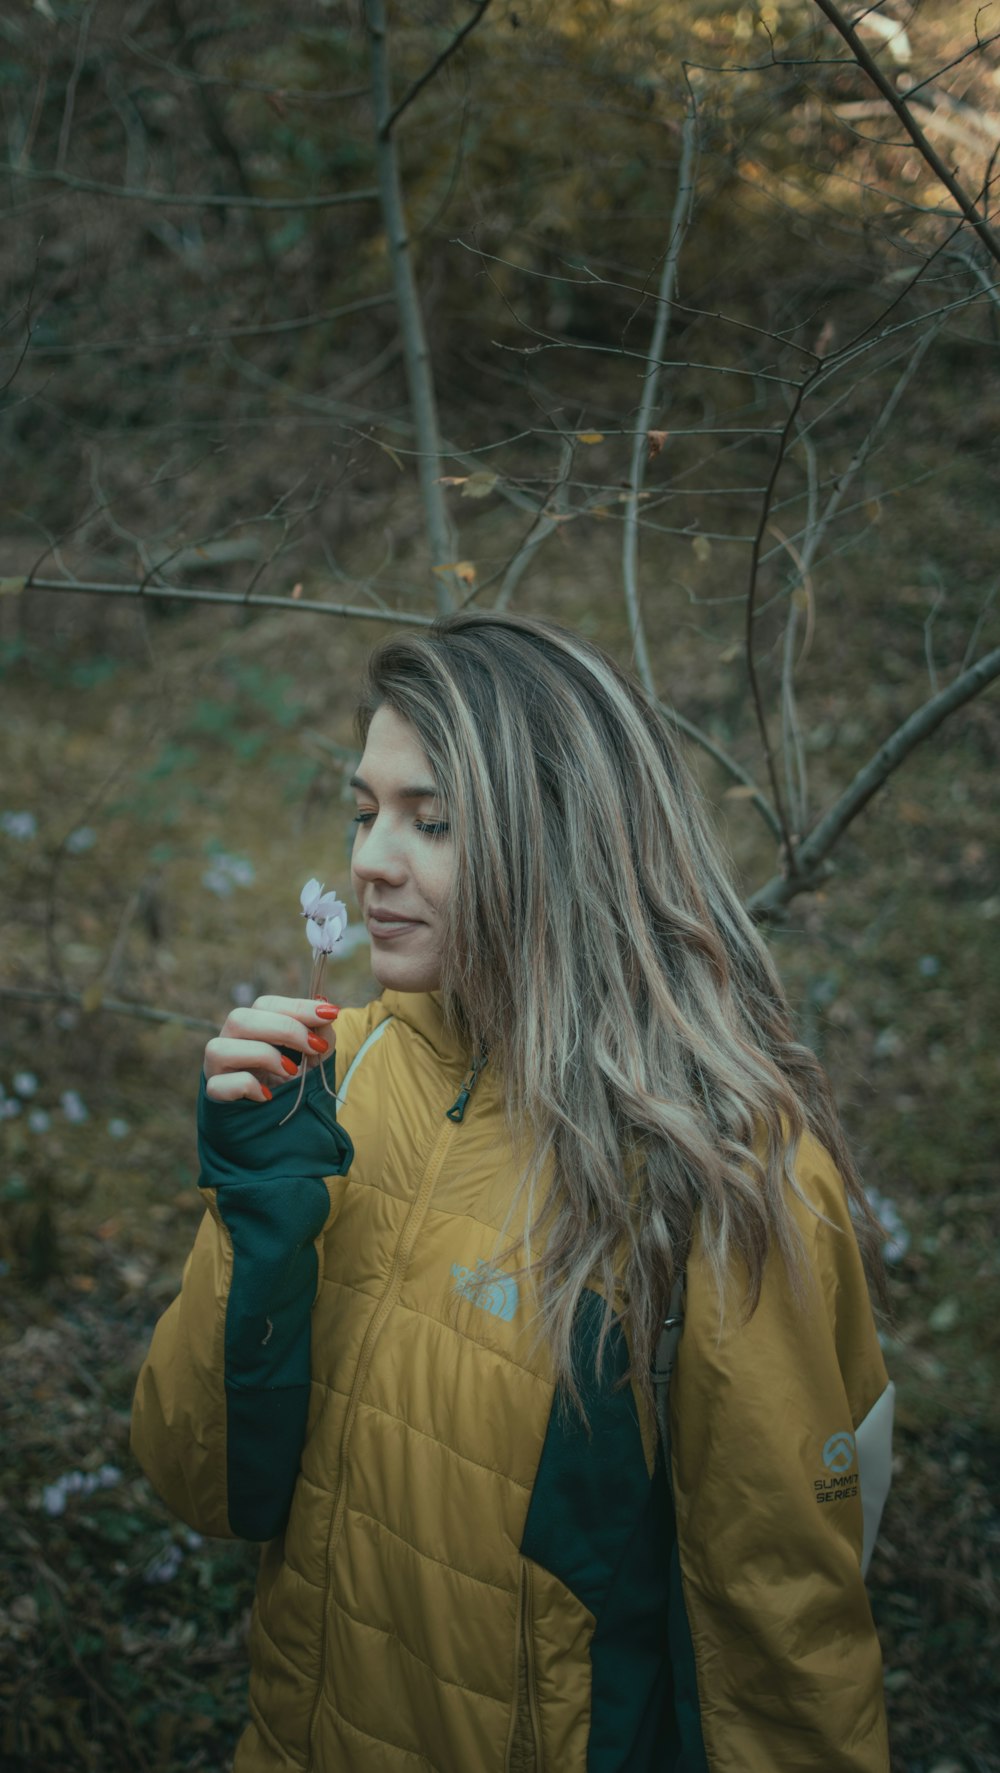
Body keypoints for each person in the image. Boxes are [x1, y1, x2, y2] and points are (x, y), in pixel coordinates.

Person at [131, 611, 894, 1773]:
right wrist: (256, 1215)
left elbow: (779, 1634)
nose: (370, 860)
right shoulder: (339, 1075)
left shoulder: (720, 1173)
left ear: (563, 836)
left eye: (431, 821)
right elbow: (204, 1486)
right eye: (364, 810)